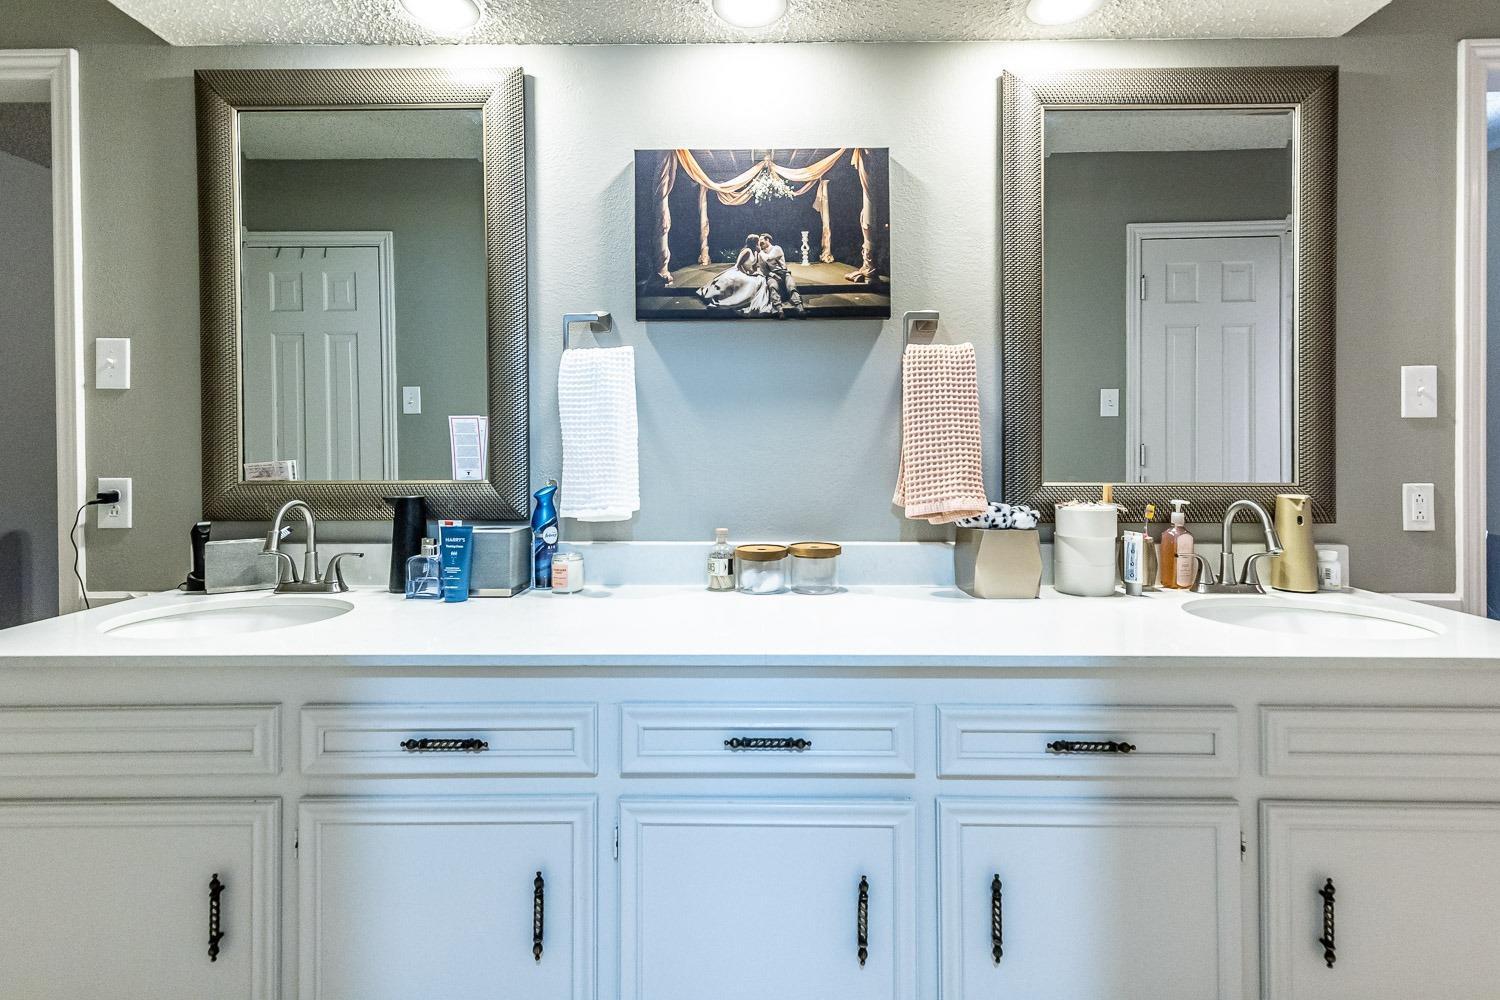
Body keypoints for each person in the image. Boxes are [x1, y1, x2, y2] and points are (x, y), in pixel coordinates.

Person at [696, 234, 774, 315]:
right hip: (740, 271)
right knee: (748, 282)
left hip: (748, 273)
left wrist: (755, 272)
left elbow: (754, 267)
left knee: (760, 280)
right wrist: (746, 273)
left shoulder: (755, 252)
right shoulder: (747, 251)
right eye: (758, 242)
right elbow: (738, 265)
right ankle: (730, 300)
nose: (759, 244)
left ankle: (748, 299)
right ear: (754, 243)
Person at [757, 233, 805, 319]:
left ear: (767, 240)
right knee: (772, 286)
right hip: (772, 275)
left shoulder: (776, 248)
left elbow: (769, 258)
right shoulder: (761, 254)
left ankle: (800, 308)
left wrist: (760, 253)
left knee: (791, 286)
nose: (760, 244)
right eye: (759, 243)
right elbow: (763, 270)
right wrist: (773, 275)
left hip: (784, 273)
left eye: (762, 242)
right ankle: (780, 310)